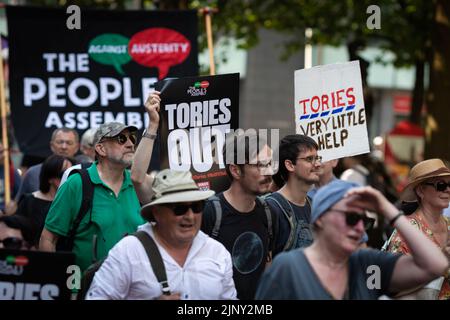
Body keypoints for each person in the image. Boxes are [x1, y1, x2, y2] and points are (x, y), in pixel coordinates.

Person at [255, 179, 449, 300]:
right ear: (321, 218)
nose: (359, 229)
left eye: (364, 221)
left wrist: (386, 209)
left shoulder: (369, 266)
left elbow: (435, 265)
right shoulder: (289, 267)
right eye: (351, 218)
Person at [86, 169, 237, 300]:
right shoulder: (128, 251)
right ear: (157, 212)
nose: (190, 216)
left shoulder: (217, 252)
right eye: (179, 209)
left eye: (197, 207)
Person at [39, 122, 145, 272]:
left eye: (132, 139)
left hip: (133, 291)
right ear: (101, 148)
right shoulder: (77, 184)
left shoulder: (138, 184)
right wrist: (63, 286)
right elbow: (48, 239)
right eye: (121, 139)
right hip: (86, 289)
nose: (130, 144)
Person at [200, 131, 276, 300]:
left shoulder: (268, 210)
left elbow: (267, 265)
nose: (269, 171)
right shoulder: (210, 212)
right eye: (260, 165)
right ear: (235, 170)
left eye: (270, 163)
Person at [386, 158, 450, 299]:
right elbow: (398, 289)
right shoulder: (406, 234)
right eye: (440, 185)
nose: (448, 189)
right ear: (421, 191)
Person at [266, 134, 320, 256]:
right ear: (290, 165)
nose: (317, 164)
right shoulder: (271, 208)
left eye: (317, 158)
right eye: (309, 159)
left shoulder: (314, 205)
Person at [15, 155, 73, 245]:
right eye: (63, 174)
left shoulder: (74, 202)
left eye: (72, 174)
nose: (69, 178)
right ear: (50, 178)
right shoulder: (28, 202)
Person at [16, 127, 80, 200]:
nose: (64, 147)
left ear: (77, 147)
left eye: (69, 143)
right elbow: (20, 204)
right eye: (60, 142)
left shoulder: (85, 172)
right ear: (51, 145)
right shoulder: (33, 173)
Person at [0, 141, 22, 215]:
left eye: (3, 151)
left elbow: (20, 196)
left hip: (7, 215)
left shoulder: (12, 172)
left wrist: (13, 206)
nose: (3, 155)